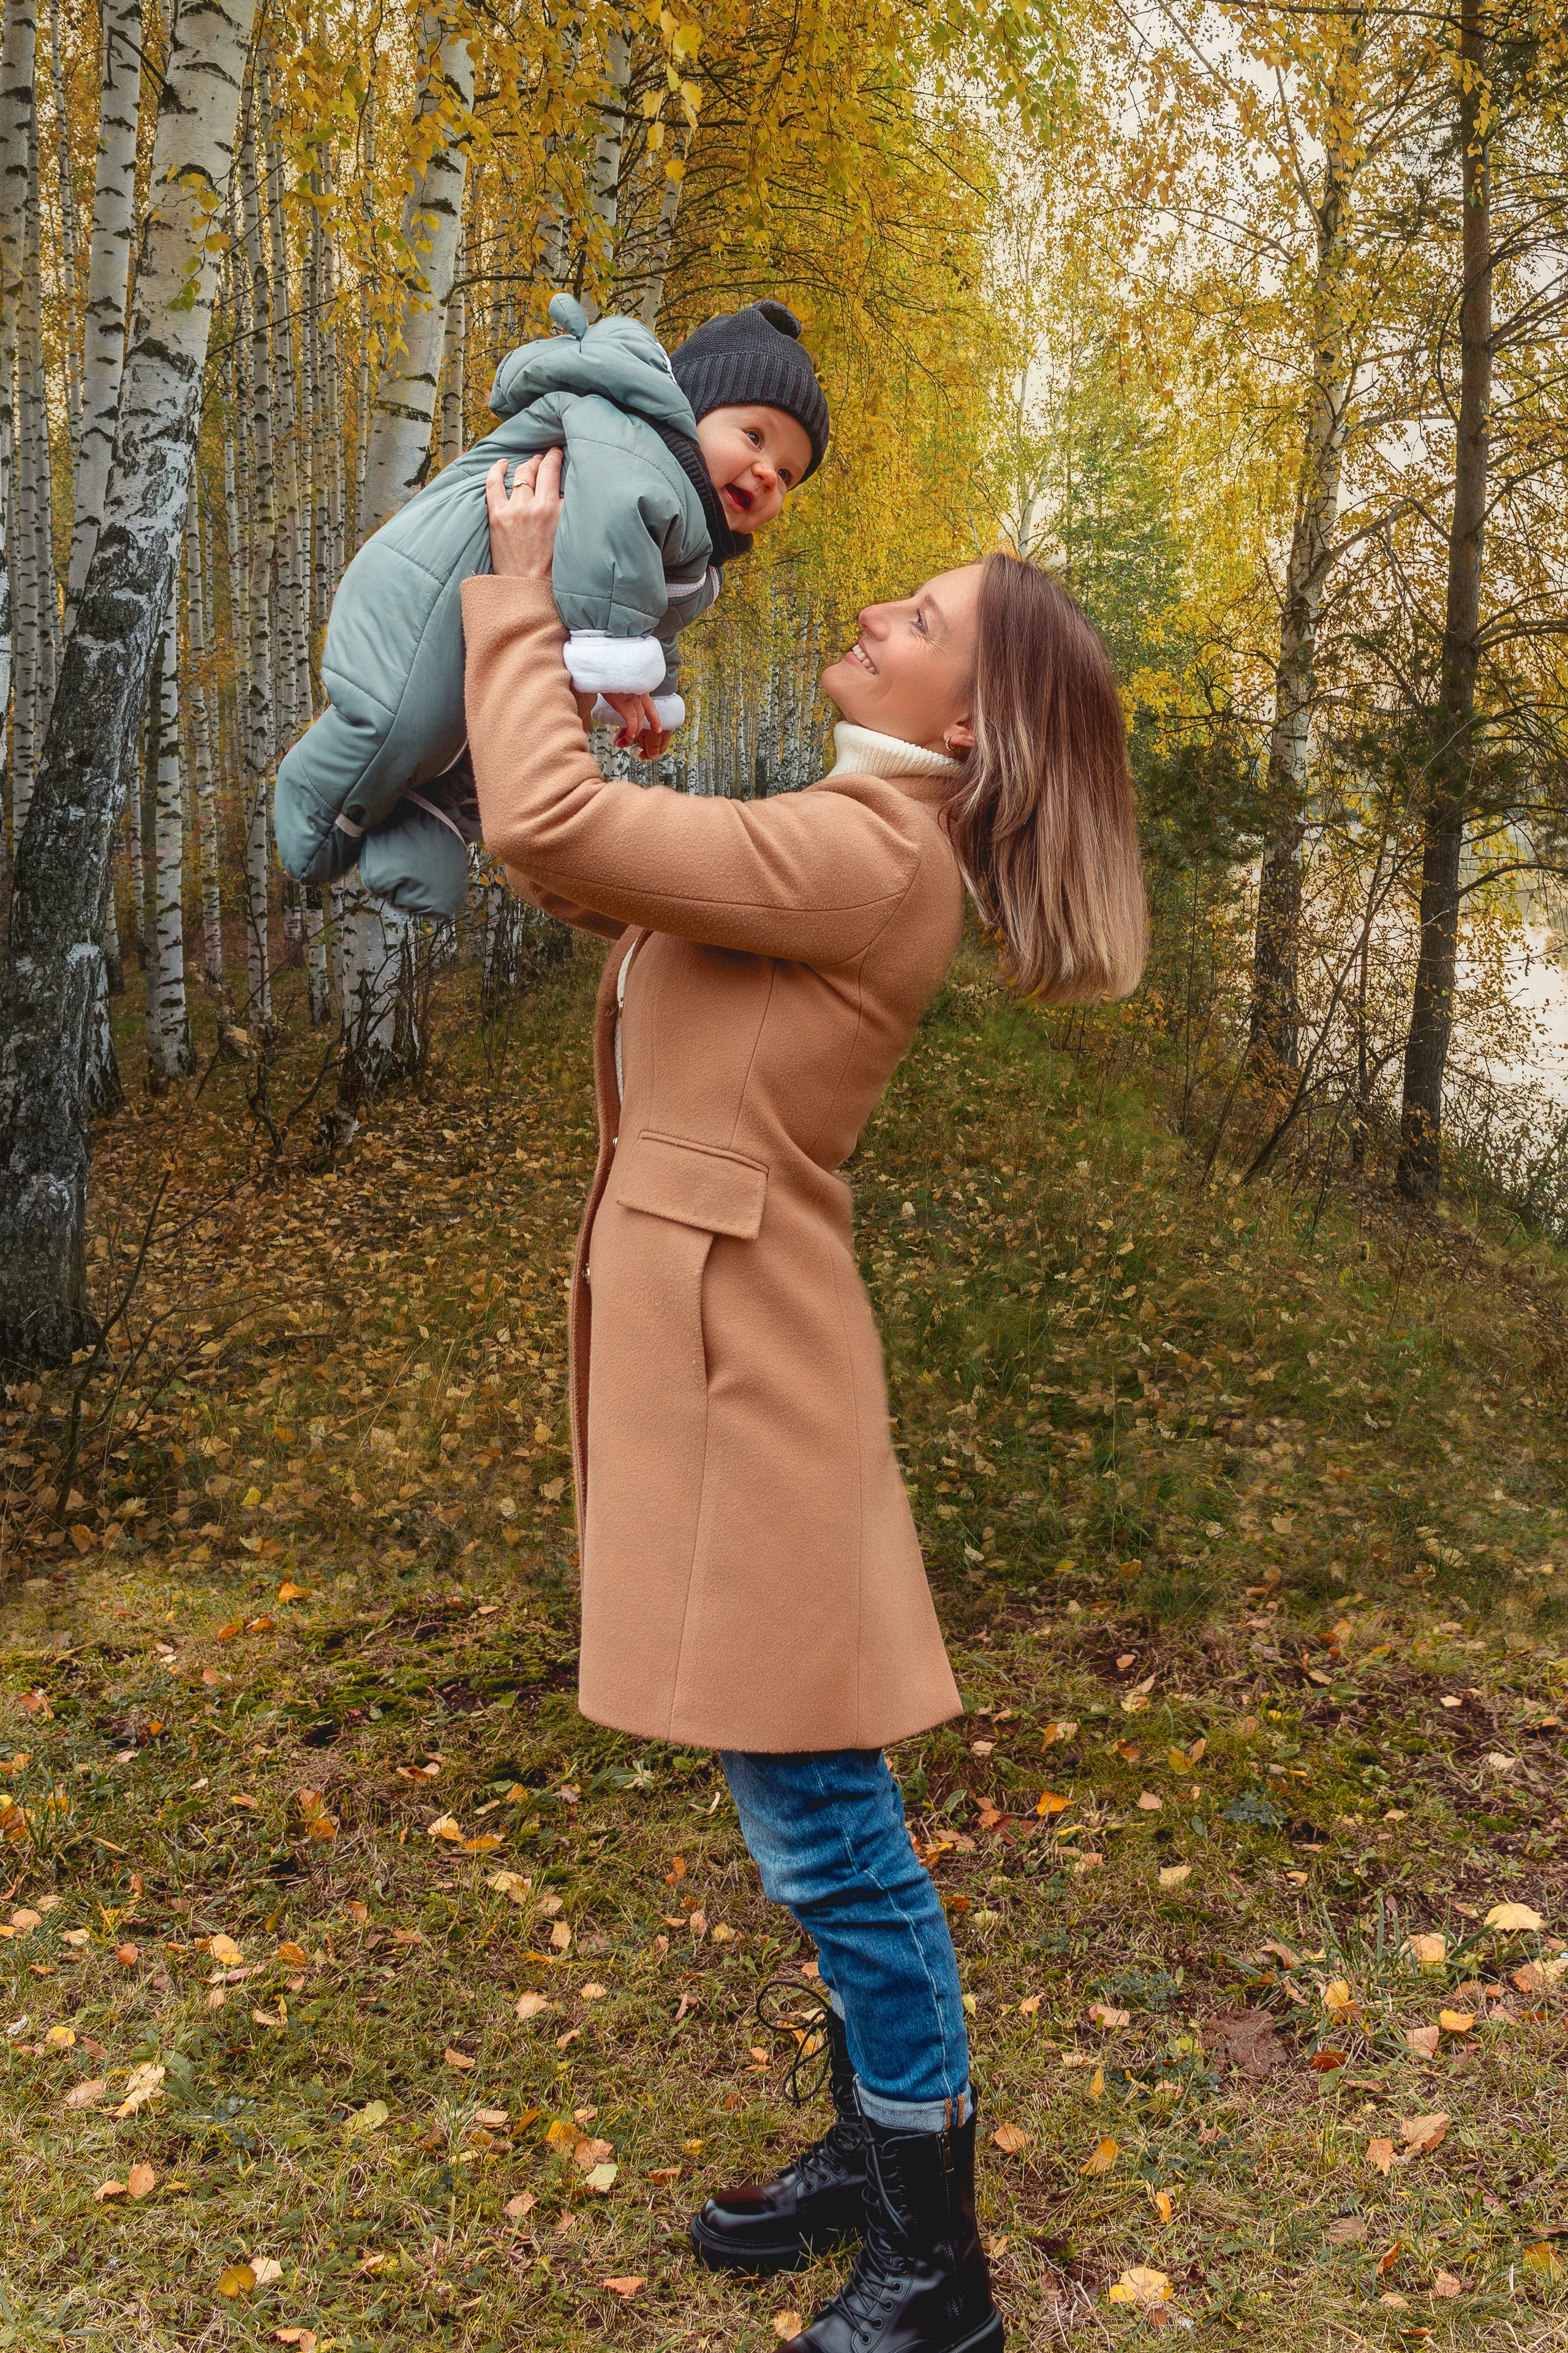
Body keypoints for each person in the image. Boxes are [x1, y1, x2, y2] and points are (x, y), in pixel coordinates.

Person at [462, 448, 1147, 2353]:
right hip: (728, 1339)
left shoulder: (870, 852)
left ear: (969, 719)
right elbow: (599, 876)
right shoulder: (854, 836)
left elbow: (544, 824)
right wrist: (593, 755)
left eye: (915, 619)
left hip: (750, 1366)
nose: (870, 615)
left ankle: (936, 2267)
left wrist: (518, 590)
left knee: (826, 1820)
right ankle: (876, 2143)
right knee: (808, 1799)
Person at [273, 296, 827, 919]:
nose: (766, 473)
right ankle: (316, 810)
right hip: (432, 582)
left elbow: (655, 611)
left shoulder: (692, 547)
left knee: (487, 750)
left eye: (788, 475)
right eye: (754, 437)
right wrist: (617, 666)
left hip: (487, 605)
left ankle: (415, 833)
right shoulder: (634, 448)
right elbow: (609, 539)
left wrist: (657, 693)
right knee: (406, 719)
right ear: (692, 407)